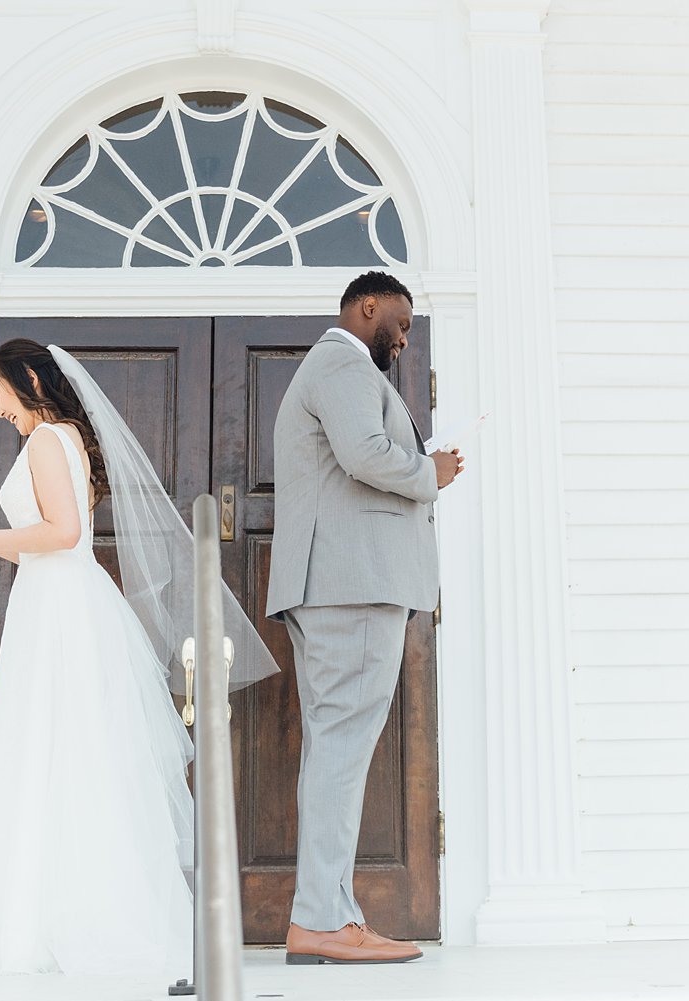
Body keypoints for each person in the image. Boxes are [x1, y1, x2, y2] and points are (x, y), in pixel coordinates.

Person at [0, 338, 276, 975]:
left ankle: (58, 926)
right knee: (70, 752)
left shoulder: (44, 441)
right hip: (60, 595)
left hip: (60, 609)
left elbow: (61, 534)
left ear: (28, 379)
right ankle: (61, 917)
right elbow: (49, 545)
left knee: (57, 751)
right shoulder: (61, 439)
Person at [265, 271, 464, 965]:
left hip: (338, 583)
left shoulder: (336, 368)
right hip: (349, 584)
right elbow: (365, 454)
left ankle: (329, 912)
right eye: (401, 324)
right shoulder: (342, 362)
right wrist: (427, 472)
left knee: (336, 750)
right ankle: (322, 917)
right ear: (367, 306)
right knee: (342, 751)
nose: (404, 340)